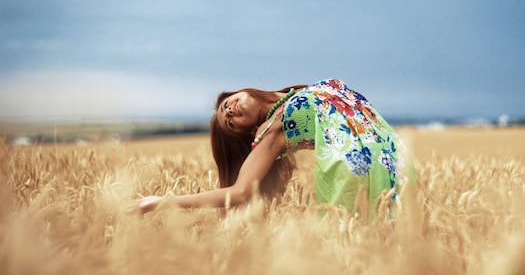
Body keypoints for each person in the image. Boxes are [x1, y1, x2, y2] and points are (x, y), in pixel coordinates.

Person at [136, 78, 416, 220]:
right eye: (230, 123)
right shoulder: (269, 133)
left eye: (226, 106)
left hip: (391, 154)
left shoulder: (293, 94)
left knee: (397, 237)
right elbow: (240, 192)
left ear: (237, 92)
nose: (230, 112)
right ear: (246, 133)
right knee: (365, 244)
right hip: (355, 168)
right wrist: (162, 202)